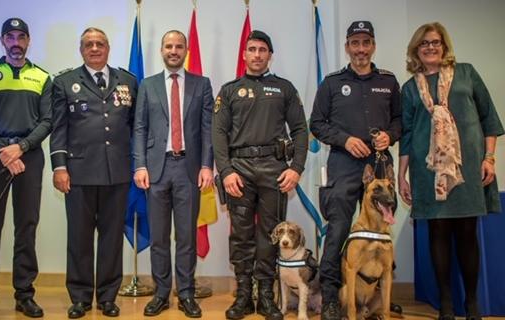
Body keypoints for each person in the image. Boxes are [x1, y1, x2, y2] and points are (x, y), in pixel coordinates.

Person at [398, 22, 503, 320]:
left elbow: (489, 119)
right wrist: (401, 175)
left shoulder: (467, 73)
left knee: (467, 233)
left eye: (435, 42)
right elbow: (405, 135)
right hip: (426, 172)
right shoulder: (409, 89)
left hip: (467, 168)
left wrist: (490, 158)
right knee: (438, 233)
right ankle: (445, 304)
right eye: (424, 44)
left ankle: (471, 304)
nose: (430, 47)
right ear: (416, 50)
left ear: (444, 46)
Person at [213, 30, 308, 320]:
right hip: (238, 172)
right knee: (241, 236)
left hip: (274, 171)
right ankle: (243, 295)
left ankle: (266, 296)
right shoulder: (229, 90)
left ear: (270, 55)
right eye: (251, 49)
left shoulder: (284, 89)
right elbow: (217, 132)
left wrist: (296, 168)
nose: (256, 55)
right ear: (244, 55)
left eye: (262, 50)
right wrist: (226, 171)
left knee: (271, 234)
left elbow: (301, 130)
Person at [309, 21, 401, 320]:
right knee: (337, 230)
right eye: (355, 43)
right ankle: (332, 298)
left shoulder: (388, 81)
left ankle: (376, 297)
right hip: (344, 163)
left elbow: (400, 120)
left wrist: (391, 135)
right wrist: (346, 140)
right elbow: (317, 124)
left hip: (379, 164)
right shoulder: (332, 83)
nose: (360, 49)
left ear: (372, 45)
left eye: (366, 42)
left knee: (381, 228)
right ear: (347, 46)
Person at [49, 27, 137, 319]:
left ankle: (108, 296)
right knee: (79, 238)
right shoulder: (64, 82)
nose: (95, 48)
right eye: (89, 44)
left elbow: (136, 127)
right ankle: (81, 297)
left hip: (117, 172)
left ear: (108, 47)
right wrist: (59, 167)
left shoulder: (128, 80)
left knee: (112, 238)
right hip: (79, 173)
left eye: (100, 43)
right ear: (81, 49)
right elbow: (58, 128)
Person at [0, 18, 52, 319]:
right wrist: (4, 151)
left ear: (28, 41)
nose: (16, 42)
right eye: (10, 37)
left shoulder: (42, 77)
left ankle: (24, 294)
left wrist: (22, 147)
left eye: (21, 37)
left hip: (28, 159)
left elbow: (47, 121)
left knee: (26, 228)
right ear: (2, 41)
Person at [132, 30, 214, 318]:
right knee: (159, 237)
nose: (173, 50)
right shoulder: (148, 85)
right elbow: (139, 128)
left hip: (188, 169)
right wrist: (139, 165)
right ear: (162, 51)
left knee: (187, 237)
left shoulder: (201, 84)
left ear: (186, 50)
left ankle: (187, 294)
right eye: (169, 46)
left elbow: (207, 129)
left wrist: (207, 165)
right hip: (155, 169)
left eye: (179, 46)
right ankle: (161, 293)